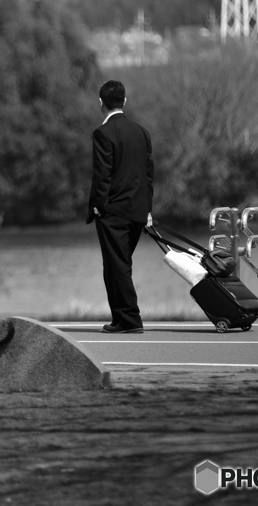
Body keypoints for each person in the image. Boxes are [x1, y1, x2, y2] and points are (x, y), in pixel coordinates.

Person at [87, 80, 154, 334]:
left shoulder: (103, 133)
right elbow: (149, 175)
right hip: (138, 211)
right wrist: (148, 210)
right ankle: (119, 318)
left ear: (101, 102)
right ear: (124, 101)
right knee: (116, 265)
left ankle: (129, 319)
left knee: (118, 265)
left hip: (113, 212)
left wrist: (98, 207)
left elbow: (102, 176)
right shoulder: (142, 131)